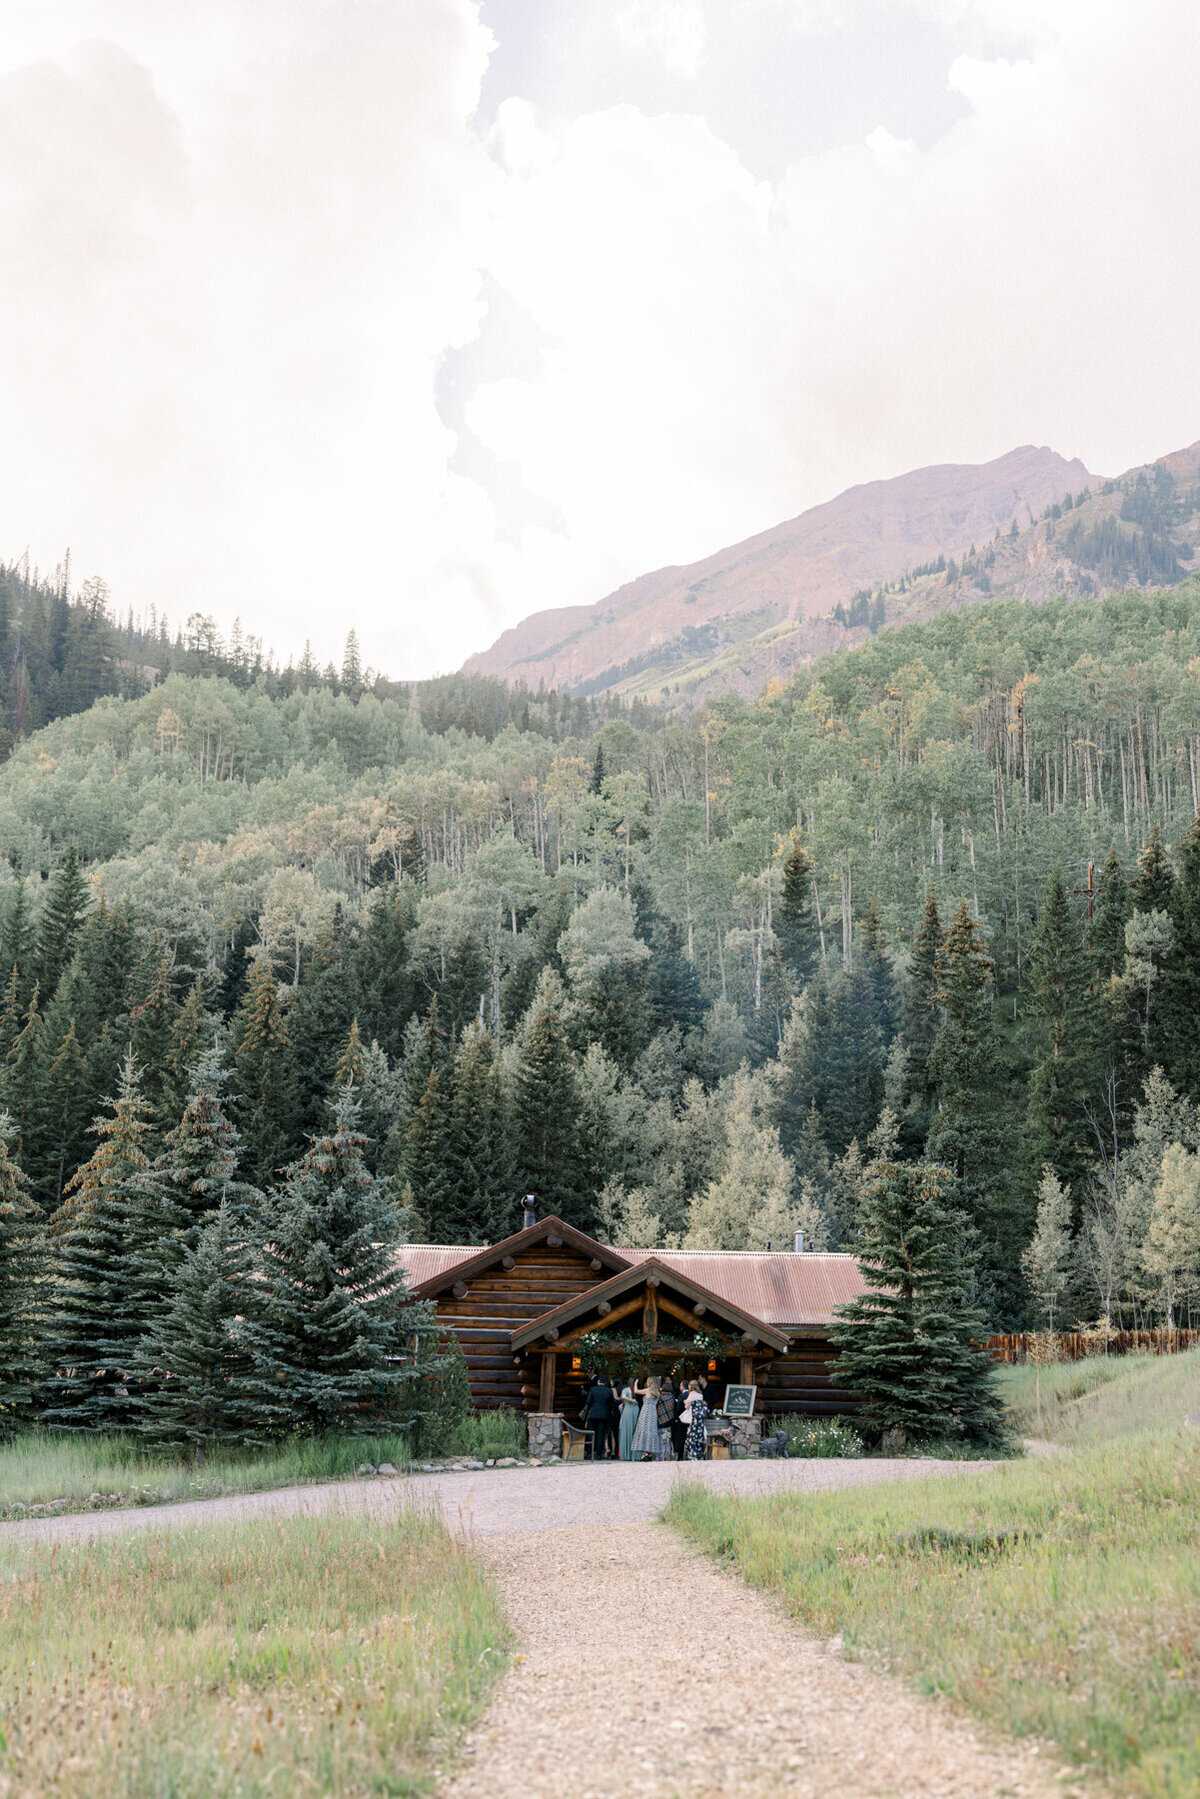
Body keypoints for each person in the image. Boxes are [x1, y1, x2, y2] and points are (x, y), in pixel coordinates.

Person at [582, 1377, 616, 1459]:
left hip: (593, 1414)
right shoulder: (609, 1391)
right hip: (604, 1415)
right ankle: (598, 1453)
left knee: (591, 1434)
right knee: (600, 1434)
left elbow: (588, 1402)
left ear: (598, 1381)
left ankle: (590, 1452)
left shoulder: (593, 1389)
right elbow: (612, 1404)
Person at [632, 1375, 664, 1460]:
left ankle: (645, 1452)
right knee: (651, 1430)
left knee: (644, 1430)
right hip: (653, 1412)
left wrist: (635, 1383)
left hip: (646, 1411)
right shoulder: (657, 1392)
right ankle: (649, 1452)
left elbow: (636, 1391)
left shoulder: (647, 1390)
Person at [680, 1379, 709, 1461]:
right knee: (699, 1433)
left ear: (690, 1386)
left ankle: (693, 1454)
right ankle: (699, 1454)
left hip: (695, 1415)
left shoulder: (692, 1394)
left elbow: (687, 1406)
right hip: (701, 1415)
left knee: (692, 1433)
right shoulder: (700, 1394)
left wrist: (685, 1402)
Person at [657, 1376, 677, 1459]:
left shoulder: (660, 1397)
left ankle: (660, 1456)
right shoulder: (672, 1397)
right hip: (669, 1421)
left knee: (660, 1440)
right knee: (667, 1440)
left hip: (660, 1421)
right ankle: (667, 1455)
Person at [618, 1384, 639, 1460]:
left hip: (632, 1410)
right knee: (630, 1431)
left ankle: (631, 1455)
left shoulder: (631, 1390)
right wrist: (632, 1400)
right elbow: (623, 1397)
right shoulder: (628, 1389)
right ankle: (631, 1455)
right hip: (631, 1410)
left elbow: (623, 1397)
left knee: (631, 1432)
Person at [670, 1380, 688, 1462]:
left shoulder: (681, 1396)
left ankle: (680, 1455)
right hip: (690, 1419)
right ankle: (688, 1454)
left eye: (680, 1385)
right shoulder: (691, 1395)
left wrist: (676, 1418)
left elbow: (678, 1409)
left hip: (682, 1420)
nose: (680, 1387)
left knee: (680, 1438)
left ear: (683, 1386)